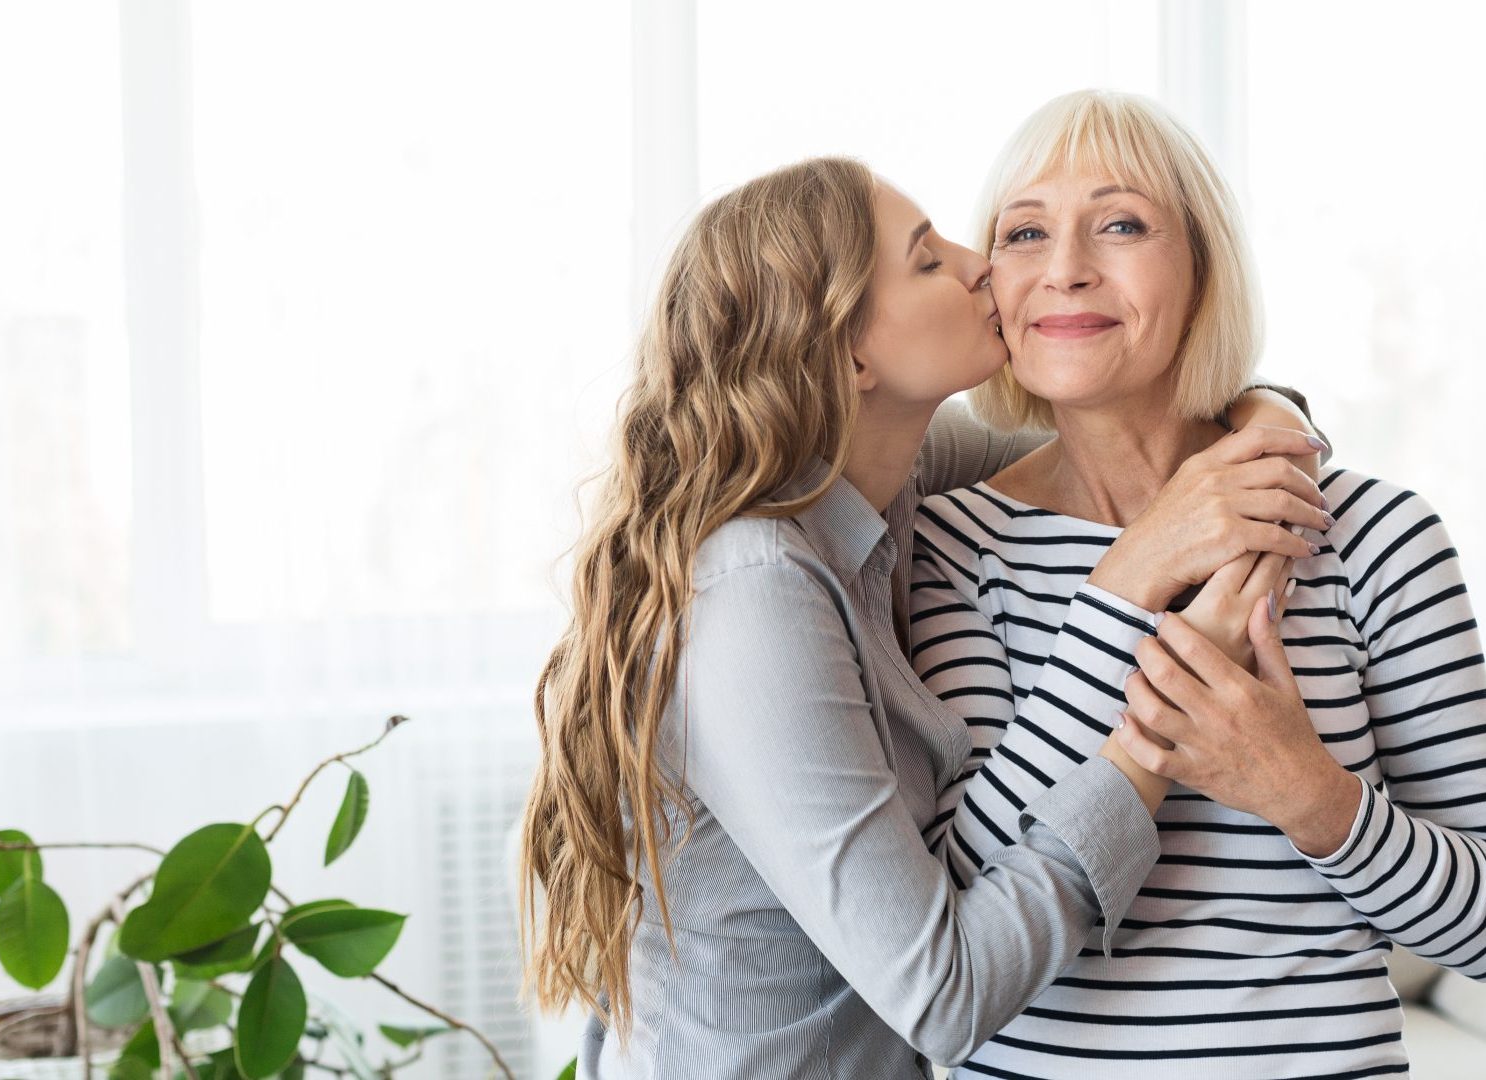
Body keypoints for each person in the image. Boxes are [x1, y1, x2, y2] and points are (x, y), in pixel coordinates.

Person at [521, 155, 1328, 1078]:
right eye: (927, 259)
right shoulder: (754, 588)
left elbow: (1130, 441)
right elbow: (944, 996)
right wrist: (1153, 717)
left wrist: (1271, 425)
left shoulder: (879, 472)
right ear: (852, 355)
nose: (979, 261)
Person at [911, 89, 1486, 1079]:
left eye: (1122, 223)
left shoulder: (1377, 536)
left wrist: (1310, 796)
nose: (1065, 268)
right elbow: (958, 900)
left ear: (1205, 265)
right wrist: (1129, 580)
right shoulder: (948, 547)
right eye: (1024, 232)